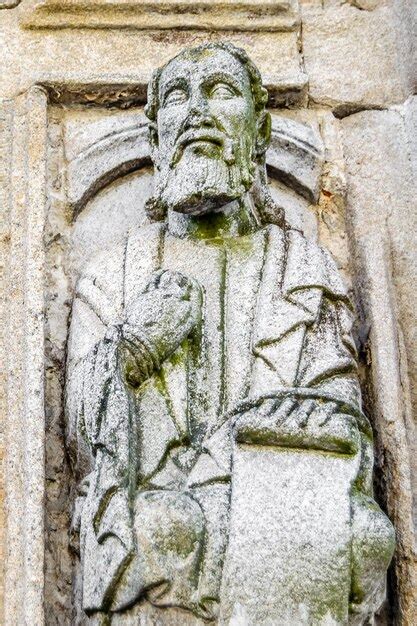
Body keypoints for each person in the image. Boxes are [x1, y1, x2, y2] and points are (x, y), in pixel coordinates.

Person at [66, 43, 394, 622]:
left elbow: (342, 407)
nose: (197, 111)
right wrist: (136, 345)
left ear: (259, 129)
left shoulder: (304, 267)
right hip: (165, 498)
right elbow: (79, 426)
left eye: (220, 92)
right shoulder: (113, 274)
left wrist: (306, 418)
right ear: (155, 139)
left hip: (280, 485)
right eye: (176, 97)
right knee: (165, 527)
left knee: (367, 537)